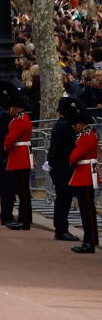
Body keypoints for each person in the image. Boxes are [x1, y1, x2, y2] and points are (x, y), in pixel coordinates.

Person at [60, 98, 97, 252]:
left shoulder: (87, 136)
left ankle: (89, 242)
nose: (74, 127)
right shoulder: (85, 134)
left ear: (80, 123)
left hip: (86, 176)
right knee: (86, 211)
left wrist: (71, 159)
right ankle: (89, 240)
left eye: (75, 124)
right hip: (83, 175)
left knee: (87, 211)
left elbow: (74, 157)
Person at [49, 97, 82, 242]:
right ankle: (61, 229)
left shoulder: (63, 125)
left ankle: (61, 228)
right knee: (63, 199)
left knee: (63, 199)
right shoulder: (64, 126)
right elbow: (57, 149)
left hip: (61, 168)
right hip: (63, 168)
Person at [0, 91, 33, 230]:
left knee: (22, 191)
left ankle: (24, 220)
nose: (9, 111)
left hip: (19, 158)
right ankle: (24, 219)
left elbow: (10, 140)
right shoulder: (21, 118)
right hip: (20, 156)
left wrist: (5, 145)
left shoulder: (20, 120)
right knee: (22, 190)